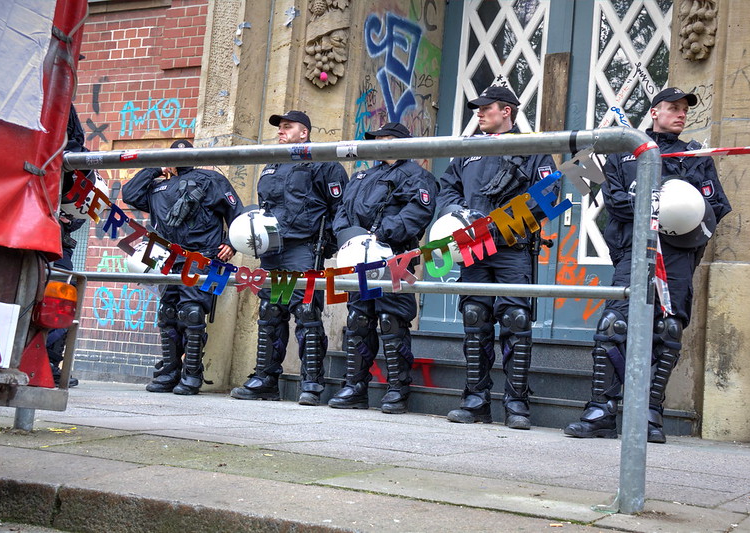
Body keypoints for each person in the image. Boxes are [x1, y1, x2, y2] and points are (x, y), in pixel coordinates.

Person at [563, 87, 732, 443]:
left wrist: (670, 213)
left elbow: (713, 208)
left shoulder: (697, 156)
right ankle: (601, 411)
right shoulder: (627, 150)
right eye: (673, 108)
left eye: (685, 109)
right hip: (633, 251)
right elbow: (617, 204)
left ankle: (649, 414)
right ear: (654, 112)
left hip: (677, 255)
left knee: (667, 332)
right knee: (613, 325)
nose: (681, 114)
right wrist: (659, 206)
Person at [437, 85, 557, 429]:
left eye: (485, 108)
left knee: (516, 320)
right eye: (477, 108)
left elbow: (548, 196)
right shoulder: (469, 148)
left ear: (506, 111)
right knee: (475, 317)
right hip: (472, 247)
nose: (478, 113)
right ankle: (475, 401)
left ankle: (517, 404)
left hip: (512, 249)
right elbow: (448, 188)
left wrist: (498, 228)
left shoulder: (533, 147)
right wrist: (458, 215)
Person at [230, 111, 347, 406]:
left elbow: (339, 208)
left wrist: (327, 246)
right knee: (272, 312)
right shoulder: (272, 165)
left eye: (287, 127)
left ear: (303, 133)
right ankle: (266, 379)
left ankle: (312, 384)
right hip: (273, 250)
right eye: (279, 128)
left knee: (306, 313)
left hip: (302, 249)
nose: (280, 132)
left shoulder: (321, 162)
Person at [328, 122, 438, 413]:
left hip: (393, 257)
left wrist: (380, 236)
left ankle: (397, 390)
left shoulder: (417, 176)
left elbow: (417, 213)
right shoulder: (363, 175)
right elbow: (341, 211)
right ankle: (355, 386)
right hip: (357, 258)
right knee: (358, 320)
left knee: (392, 320)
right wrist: (347, 235)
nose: (378, 143)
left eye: (384, 138)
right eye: (376, 139)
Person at [122, 139, 243, 395]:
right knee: (167, 314)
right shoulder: (158, 187)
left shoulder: (211, 180)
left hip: (204, 258)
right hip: (168, 260)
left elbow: (237, 215)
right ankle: (169, 371)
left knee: (192, 314)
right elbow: (130, 194)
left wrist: (231, 242)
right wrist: (154, 168)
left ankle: (192, 374)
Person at [49, 103, 88, 388]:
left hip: (57, 239)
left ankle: (48, 362)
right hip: (40, 238)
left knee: (61, 293)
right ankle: (44, 362)